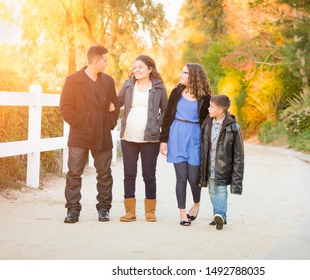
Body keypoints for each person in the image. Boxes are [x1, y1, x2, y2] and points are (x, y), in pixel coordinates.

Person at [60, 45, 120, 223]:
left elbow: (115, 106)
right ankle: (72, 210)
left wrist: (108, 123)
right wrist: (81, 122)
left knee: (104, 174)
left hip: (102, 133)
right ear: (95, 61)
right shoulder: (72, 80)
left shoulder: (108, 81)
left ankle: (104, 209)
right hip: (80, 133)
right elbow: (65, 107)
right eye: (105, 60)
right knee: (74, 173)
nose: (107, 63)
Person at [117, 55, 168, 222]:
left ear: (150, 69)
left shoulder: (159, 88)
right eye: (135, 67)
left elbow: (166, 111)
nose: (136, 70)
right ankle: (130, 212)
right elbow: (117, 102)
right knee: (129, 173)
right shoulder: (129, 85)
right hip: (128, 136)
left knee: (149, 174)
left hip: (150, 138)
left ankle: (150, 211)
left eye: (140, 67)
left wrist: (157, 126)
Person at [160, 63, 212, 226]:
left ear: (194, 76)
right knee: (181, 177)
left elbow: (209, 121)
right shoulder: (176, 92)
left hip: (195, 138)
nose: (180, 75)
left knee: (193, 177)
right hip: (176, 135)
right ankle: (182, 213)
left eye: (184, 72)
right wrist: (163, 140)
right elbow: (167, 116)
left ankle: (196, 204)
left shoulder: (205, 98)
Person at [199, 94, 244, 230]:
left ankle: (220, 214)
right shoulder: (207, 124)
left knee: (221, 190)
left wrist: (237, 178)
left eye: (211, 107)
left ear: (220, 110)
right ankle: (217, 215)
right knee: (212, 191)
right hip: (209, 165)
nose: (208, 109)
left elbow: (239, 154)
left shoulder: (233, 128)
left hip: (223, 167)